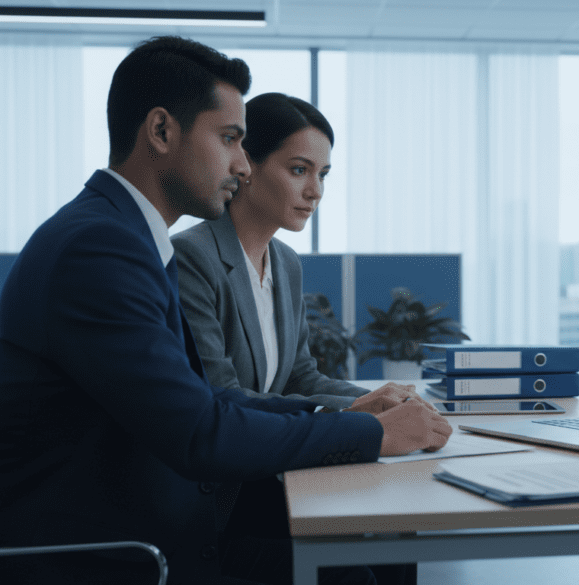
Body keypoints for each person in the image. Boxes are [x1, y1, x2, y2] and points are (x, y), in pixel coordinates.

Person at [0, 36, 451, 585]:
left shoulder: (127, 235)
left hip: (155, 510)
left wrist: (350, 417)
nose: (242, 163)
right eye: (230, 138)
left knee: (380, 536)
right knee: (355, 566)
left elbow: (206, 397)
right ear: (162, 131)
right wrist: (373, 435)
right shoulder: (100, 248)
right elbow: (200, 433)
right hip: (120, 549)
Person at [171, 93, 374, 413]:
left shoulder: (286, 263)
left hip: (277, 450)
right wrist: (353, 411)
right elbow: (220, 393)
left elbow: (300, 377)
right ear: (247, 165)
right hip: (226, 454)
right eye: (299, 170)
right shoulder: (193, 257)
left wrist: (379, 399)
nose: (315, 191)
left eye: (322, 174)